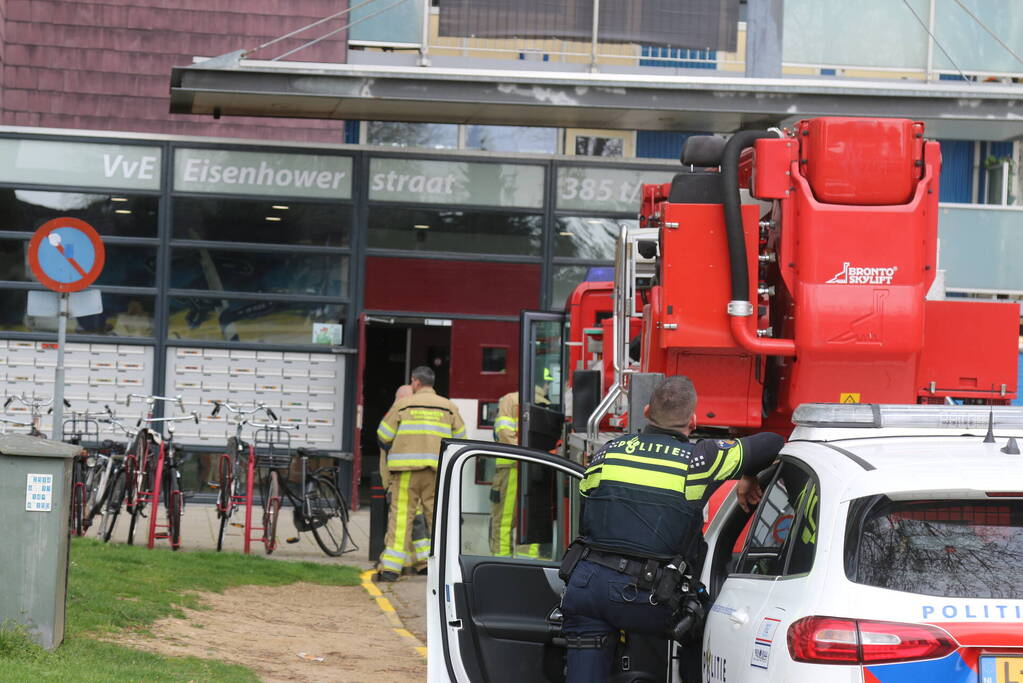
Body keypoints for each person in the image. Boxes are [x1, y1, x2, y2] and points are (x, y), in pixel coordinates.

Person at [560, 375, 783, 682]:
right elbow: (772, 443)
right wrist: (748, 474)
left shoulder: (607, 452)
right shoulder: (699, 459)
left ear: (647, 410)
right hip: (650, 597)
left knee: (586, 654)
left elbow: (588, 509)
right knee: (702, 629)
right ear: (692, 420)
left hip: (588, 587)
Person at [376, 366, 466, 582]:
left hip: (407, 472)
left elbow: (383, 436)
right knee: (438, 520)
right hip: (437, 474)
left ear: (415, 382)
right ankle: (441, 569)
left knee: (400, 518)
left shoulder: (403, 404)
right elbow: (461, 440)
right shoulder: (449, 407)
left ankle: (391, 569)